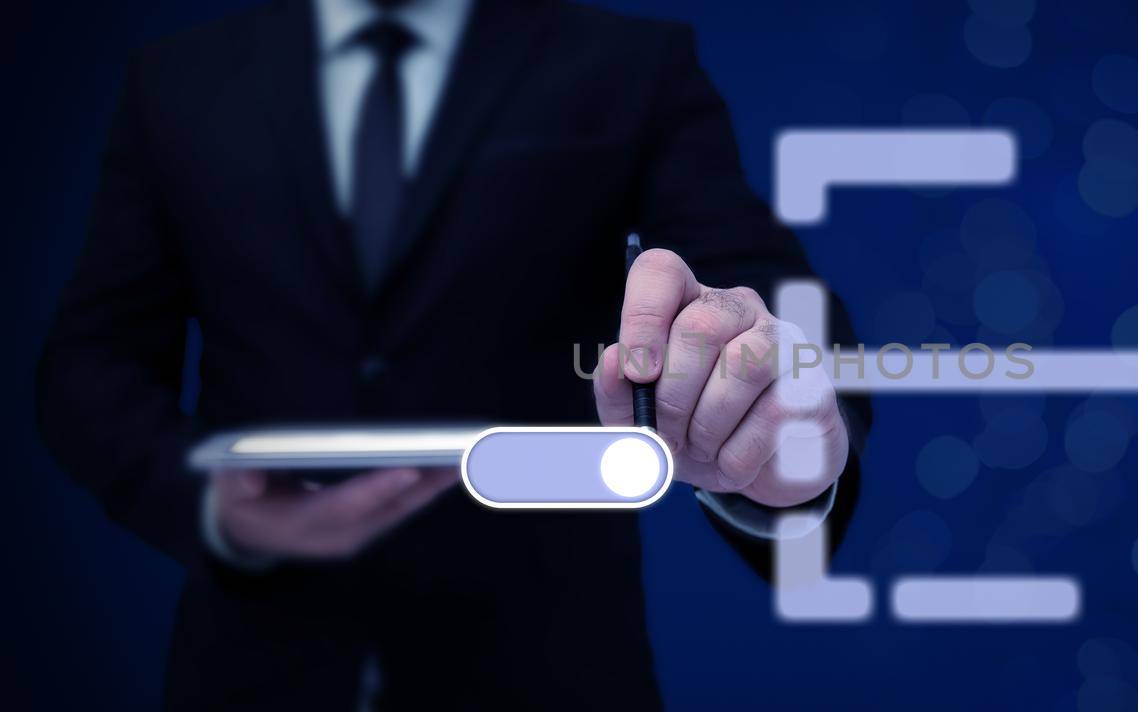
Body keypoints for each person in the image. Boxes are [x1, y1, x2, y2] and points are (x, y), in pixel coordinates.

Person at [34, 0, 866, 708]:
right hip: (251, 670)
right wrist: (218, 510)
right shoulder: (175, 81)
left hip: (550, 672)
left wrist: (778, 431)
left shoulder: (629, 64)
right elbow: (88, 365)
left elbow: (764, 297)